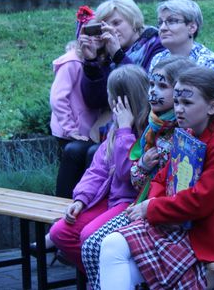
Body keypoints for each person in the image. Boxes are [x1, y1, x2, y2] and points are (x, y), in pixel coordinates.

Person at [97, 68, 214, 289]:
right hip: (179, 222)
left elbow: (200, 201)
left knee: (115, 250)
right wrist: (153, 203)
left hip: (211, 233)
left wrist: (151, 208)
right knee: (111, 246)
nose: (179, 109)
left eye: (187, 103)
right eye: (176, 102)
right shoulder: (187, 135)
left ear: (213, 107)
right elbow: (161, 179)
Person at [81, 56, 194, 289]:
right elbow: (136, 178)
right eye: (151, 84)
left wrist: (149, 205)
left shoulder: (179, 130)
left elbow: (178, 186)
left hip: (164, 214)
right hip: (145, 205)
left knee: (94, 245)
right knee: (90, 244)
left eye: (162, 86)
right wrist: (142, 165)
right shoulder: (155, 126)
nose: (153, 91)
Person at [56, 0, 163, 199]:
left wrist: (118, 55)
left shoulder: (154, 46)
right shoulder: (106, 50)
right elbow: (95, 100)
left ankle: (96, 207)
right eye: (106, 25)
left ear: (133, 21)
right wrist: (91, 62)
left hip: (141, 130)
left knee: (94, 153)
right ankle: (64, 209)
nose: (112, 29)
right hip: (111, 129)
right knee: (72, 150)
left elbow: (143, 91)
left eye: (117, 23)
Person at [49, 65, 150, 272]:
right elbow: (97, 170)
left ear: (121, 100)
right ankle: (104, 276)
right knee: (60, 233)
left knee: (89, 235)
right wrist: (81, 199)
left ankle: (113, 276)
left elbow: (127, 172)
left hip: (131, 202)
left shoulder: (146, 131)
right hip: (110, 198)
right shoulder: (116, 128)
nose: (108, 100)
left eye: (110, 94)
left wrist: (124, 130)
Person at [50, 39, 101, 153]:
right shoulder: (72, 62)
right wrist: (70, 129)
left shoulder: (101, 59)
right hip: (70, 133)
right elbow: (58, 98)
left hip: (89, 131)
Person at [148, 0, 214, 73]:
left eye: (172, 21)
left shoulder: (208, 63)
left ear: (192, 28)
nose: (162, 28)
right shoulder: (158, 59)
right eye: (160, 22)